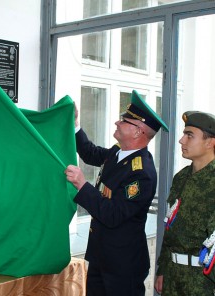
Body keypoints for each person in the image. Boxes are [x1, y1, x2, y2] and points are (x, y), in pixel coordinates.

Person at [65, 90, 169, 296]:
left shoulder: (142, 173)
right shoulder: (117, 152)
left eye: (124, 120)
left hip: (123, 264)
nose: (117, 123)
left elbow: (113, 214)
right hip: (100, 256)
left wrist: (82, 185)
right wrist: (75, 124)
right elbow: (90, 153)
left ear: (138, 131)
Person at [154, 111, 215, 295]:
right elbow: (170, 227)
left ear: (210, 142)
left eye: (189, 135)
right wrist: (163, 269)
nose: (181, 140)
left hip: (202, 281)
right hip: (173, 276)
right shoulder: (181, 177)